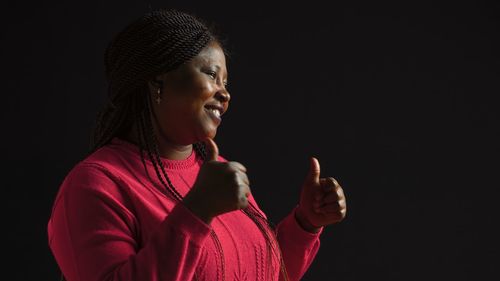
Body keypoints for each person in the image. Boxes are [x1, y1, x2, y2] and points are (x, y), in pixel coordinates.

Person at [47, 9, 347, 281]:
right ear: (157, 81)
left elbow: (262, 273)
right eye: (211, 75)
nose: (225, 94)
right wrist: (198, 210)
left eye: (226, 83)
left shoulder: (213, 176)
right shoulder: (95, 185)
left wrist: (306, 224)